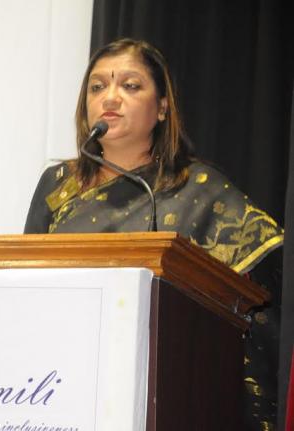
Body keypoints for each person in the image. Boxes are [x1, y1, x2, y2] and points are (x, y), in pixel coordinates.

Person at [24, 38, 284, 429]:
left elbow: (267, 289)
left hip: (168, 380)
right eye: (97, 87)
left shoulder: (199, 189)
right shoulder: (57, 184)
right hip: (64, 377)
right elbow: (26, 281)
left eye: (130, 86)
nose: (110, 97)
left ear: (162, 108)